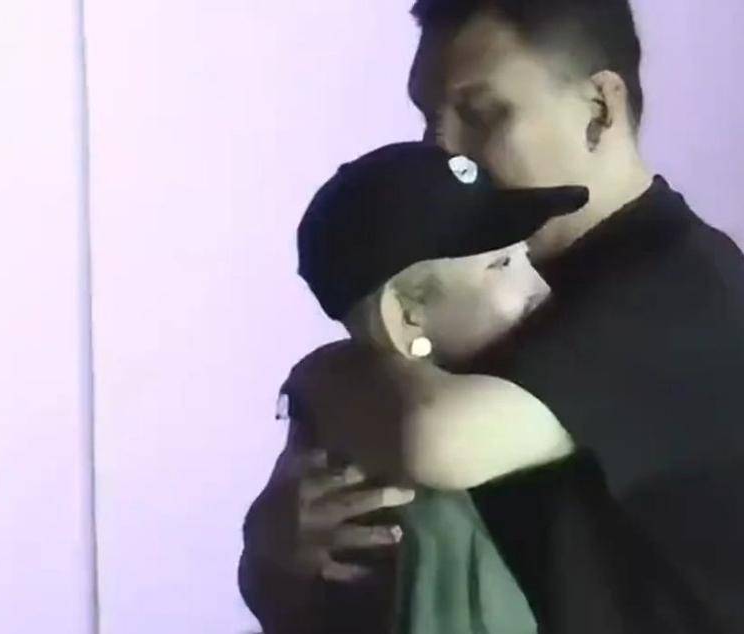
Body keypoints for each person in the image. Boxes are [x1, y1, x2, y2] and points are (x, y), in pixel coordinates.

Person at [242, 1, 744, 633]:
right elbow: (291, 587)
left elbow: (436, 441)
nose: (442, 151)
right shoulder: (464, 288)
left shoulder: (685, 292)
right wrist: (278, 547)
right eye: (429, 118)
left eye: (480, 115)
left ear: (598, 109)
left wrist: (324, 371)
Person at [240, 141, 588, 633]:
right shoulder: (413, 502)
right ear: (405, 315)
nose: (542, 288)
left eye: (524, 255)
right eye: (501, 266)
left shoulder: (339, 415)